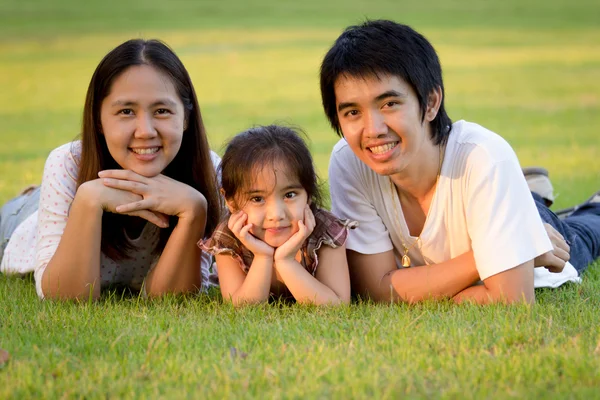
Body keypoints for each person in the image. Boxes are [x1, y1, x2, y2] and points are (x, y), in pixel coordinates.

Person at [321, 20, 600, 304]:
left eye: (389, 104)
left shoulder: (483, 157)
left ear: (430, 103)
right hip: (486, 209)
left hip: (528, 219)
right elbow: (378, 290)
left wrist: (523, 239)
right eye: (352, 112)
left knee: (586, 233)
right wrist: (492, 254)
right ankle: (529, 192)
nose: (373, 130)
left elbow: (511, 298)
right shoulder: (350, 160)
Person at [0, 39, 221, 300]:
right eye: (126, 111)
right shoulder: (68, 163)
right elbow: (65, 298)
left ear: (185, 117)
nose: (146, 131)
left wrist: (194, 210)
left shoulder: (208, 171)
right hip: (24, 219)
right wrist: (88, 199)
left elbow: (172, 300)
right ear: (99, 121)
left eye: (161, 111)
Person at [200, 125, 354, 306]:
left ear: (309, 194)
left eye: (289, 195)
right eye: (257, 199)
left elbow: (336, 306)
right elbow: (242, 308)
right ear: (231, 201)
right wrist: (263, 257)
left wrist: (286, 261)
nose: (276, 214)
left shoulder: (325, 233)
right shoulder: (230, 238)